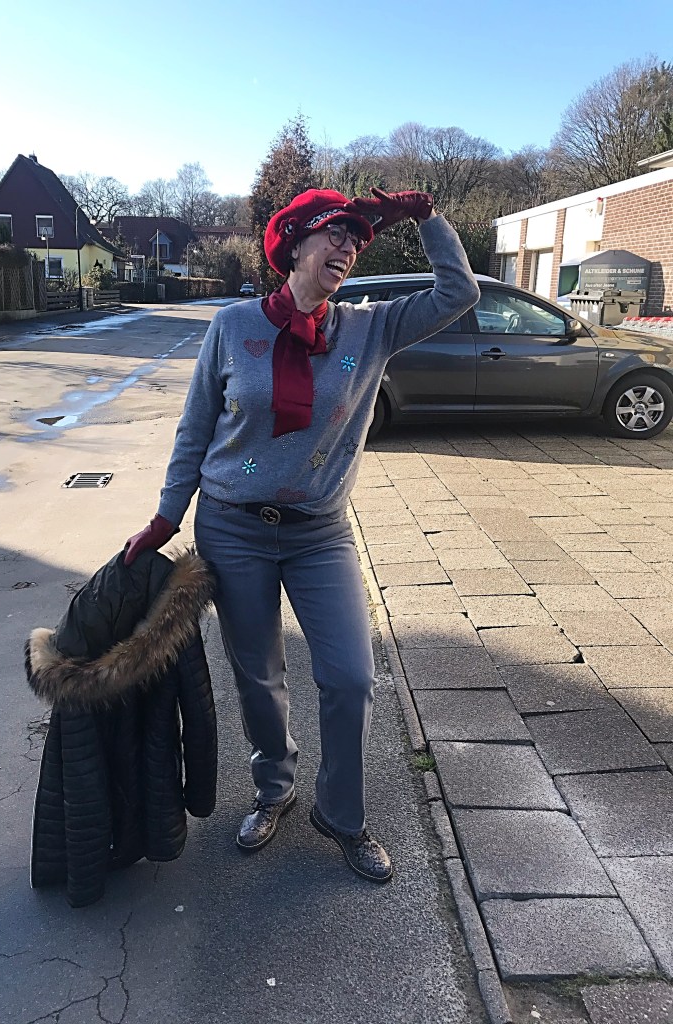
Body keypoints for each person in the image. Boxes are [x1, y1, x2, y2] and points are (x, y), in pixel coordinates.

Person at [125, 187, 480, 883]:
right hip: (232, 528)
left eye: (356, 239)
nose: (347, 248)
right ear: (294, 247)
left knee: (351, 676)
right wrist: (167, 516)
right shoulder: (232, 326)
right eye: (333, 235)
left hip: (320, 534)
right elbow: (196, 427)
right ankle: (274, 788)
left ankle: (341, 814)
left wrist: (429, 218)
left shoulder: (371, 329)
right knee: (258, 677)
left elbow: (458, 293)